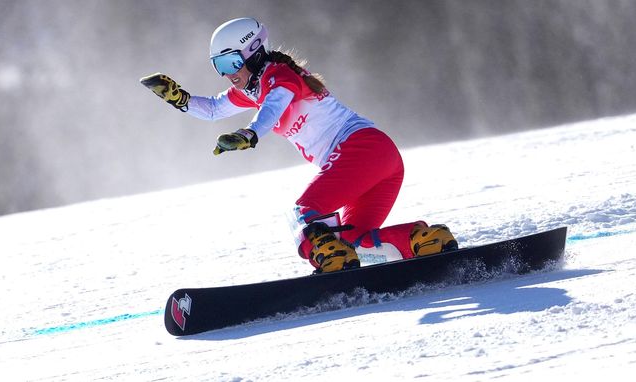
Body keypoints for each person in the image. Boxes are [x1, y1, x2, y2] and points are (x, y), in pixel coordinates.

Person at [140, 17, 458, 273]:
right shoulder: (252, 88)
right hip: (379, 161)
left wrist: (251, 134)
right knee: (351, 243)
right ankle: (424, 241)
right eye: (218, 67)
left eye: (230, 64)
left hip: (362, 150)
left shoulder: (280, 76)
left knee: (303, 214)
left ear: (252, 53)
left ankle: (334, 262)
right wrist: (179, 100)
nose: (227, 75)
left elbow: (273, 107)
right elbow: (212, 109)